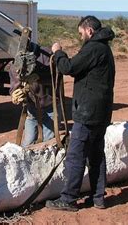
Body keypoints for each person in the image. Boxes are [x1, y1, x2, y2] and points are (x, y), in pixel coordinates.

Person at [45, 15, 115, 211]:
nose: (80, 37)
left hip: (88, 113)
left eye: (81, 33)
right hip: (100, 113)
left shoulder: (94, 48)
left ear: (89, 31)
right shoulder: (104, 49)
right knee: (96, 156)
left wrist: (58, 52)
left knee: (76, 156)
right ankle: (98, 197)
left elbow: (70, 67)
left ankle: (68, 199)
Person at [9, 46, 55, 147]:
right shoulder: (15, 65)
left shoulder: (45, 54)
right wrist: (15, 94)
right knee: (28, 143)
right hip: (31, 108)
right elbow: (14, 86)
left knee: (49, 143)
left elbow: (56, 75)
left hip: (50, 106)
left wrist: (38, 77)